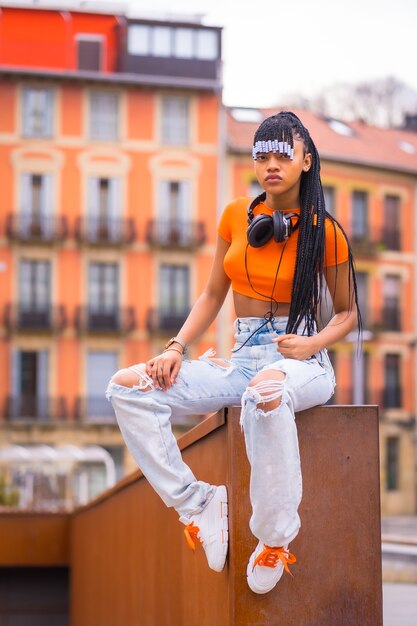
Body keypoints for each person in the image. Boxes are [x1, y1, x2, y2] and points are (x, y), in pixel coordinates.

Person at [106, 111, 360, 594]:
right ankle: (197, 502)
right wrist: (177, 347)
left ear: (306, 160)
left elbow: (347, 314)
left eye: (283, 154)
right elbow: (210, 296)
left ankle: (274, 539)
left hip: (301, 361)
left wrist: (311, 342)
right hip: (241, 356)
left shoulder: (325, 232)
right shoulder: (235, 216)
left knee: (265, 395)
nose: (271, 164)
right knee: (128, 388)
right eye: (261, 154)